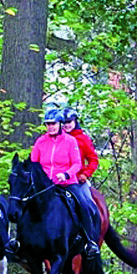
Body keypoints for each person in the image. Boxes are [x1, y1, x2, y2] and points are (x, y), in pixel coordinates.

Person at [32, 108, 100, 257]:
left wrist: (66, 174)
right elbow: (34, 162)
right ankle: (18, 241)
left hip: (67, 182)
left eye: (53, 124)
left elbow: (76, 163)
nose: (50, 127)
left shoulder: (71, 141)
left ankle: (90, 241)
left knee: (83, 203)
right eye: (48, 124)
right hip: (45, 185)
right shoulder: (41, 141)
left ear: (60, 124)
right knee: (25, 201)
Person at [62, 107, 99, 188]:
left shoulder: (83, 139)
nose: (67, 125)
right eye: (64, 123)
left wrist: (85, 174)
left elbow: (93, 160)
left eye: (69, 122)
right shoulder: (57, 138)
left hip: (78, 180)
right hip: (58, 178)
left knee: (86, 200)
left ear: (75, 121)